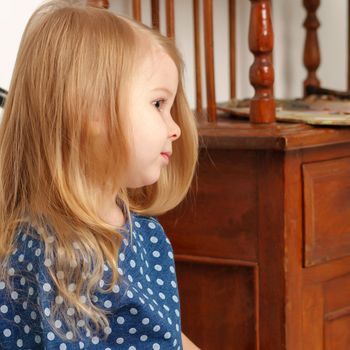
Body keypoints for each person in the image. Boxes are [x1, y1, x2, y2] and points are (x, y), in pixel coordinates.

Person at [0, 0, 199, 349]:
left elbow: (165, 335)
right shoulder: (53, 257)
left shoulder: (145, 234)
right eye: (158, 104)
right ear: (92, 111)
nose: (176, 128)